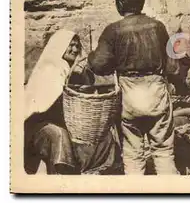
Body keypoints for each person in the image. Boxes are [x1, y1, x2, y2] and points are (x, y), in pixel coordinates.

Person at [87, 0, 179, 175]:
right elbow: (172, 67)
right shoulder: (158, 27)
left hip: (129, 97)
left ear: (120, 3)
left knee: (132, 154)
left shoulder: (113, 31)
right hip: (157, 95)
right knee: (163, 152)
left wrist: (92, 56)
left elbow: (98, 65)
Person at [24, 29, 121, 175]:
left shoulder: (77, 71)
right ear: (59, 46)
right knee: (58, 135)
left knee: (103, 135)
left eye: (77, 46)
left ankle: (93, 172)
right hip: (41, 124)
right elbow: (42, 105)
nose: (75, 49)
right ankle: (60, 176)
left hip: (73, 124)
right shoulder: (49, 69)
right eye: (70, 45)